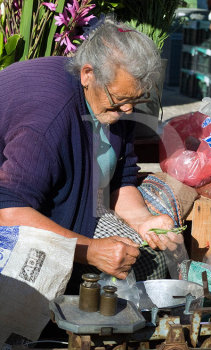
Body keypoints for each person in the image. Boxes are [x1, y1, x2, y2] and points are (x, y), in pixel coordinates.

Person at [0, 15, 186, 285]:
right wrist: (89, 250)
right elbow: (8, 210)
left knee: (145, 258)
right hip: (16, 214)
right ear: (88, 74)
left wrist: (144, 220)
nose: (127, 111)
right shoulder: (49, 119)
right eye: (119, 100)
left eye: (135, 100)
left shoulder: (114, 101)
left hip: (65, 202)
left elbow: (120, 179)